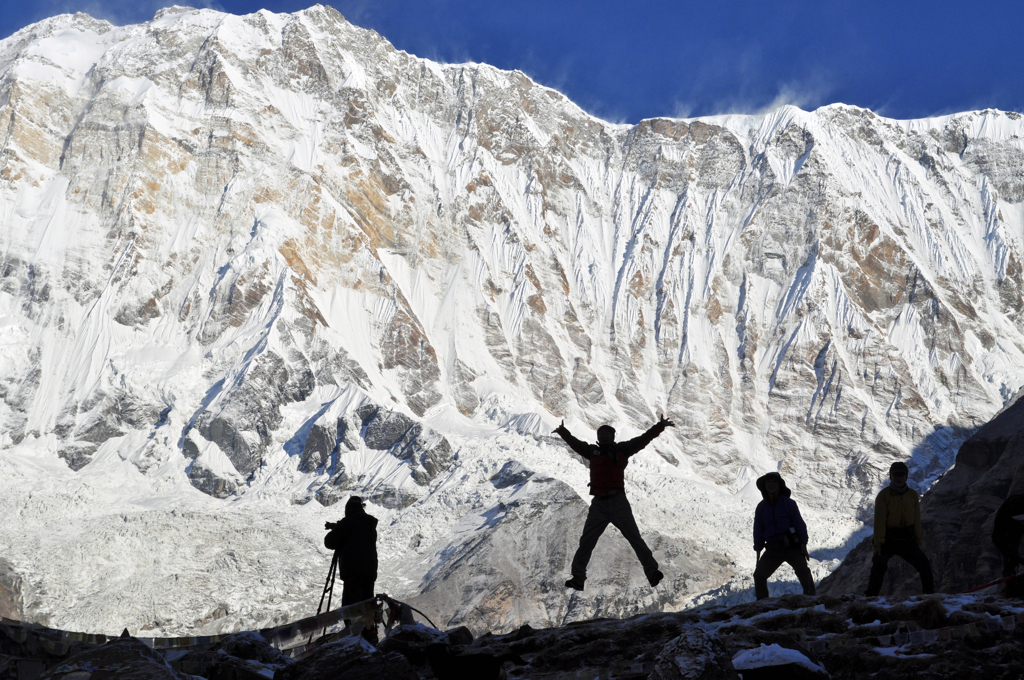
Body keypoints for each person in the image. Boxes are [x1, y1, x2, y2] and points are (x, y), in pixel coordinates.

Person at [553, 416, 674, 591]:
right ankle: (578, 578)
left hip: (618, 501)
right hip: (599, 503)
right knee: (587, 541)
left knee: (634, 538)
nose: (602, 436)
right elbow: (576, 444)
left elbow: (643, 439)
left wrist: (660, 426)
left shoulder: (623, 449)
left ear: (612, 436)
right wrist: (563, 432)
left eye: (606, 433)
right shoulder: (592, 451)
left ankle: (652, 572)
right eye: (600, 433)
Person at [865, 461, 934, 596]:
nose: (899, 478)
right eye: (896, 475)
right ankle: (870, 597)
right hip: (888, 539)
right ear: (891, 477)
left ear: (906, 477)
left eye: (902, 475)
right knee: (879, 566)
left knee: (924, 564)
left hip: (907, 538)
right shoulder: (883, 496)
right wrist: (878, 544)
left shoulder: (912, 495)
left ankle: (929, 595)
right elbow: (879, 521)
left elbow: (916, 519)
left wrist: (917, 538)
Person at [751, 472, 816, 599]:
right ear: (764, 486)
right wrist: (758, 545)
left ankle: (811, 598)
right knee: (759, 575)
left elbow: (799, 523)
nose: (771, 485)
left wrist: (803, 542)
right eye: (768, 482)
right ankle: (762, 603)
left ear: (780, 485)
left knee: (803, 570)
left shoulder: (789, 503)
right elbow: (758, 528)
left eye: (774, 482)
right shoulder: (761, 507)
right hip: (772, 548)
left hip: (791, 546)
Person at [324, 496, 379, 606]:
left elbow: (329, 542)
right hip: (369, 572)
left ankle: (352, 624)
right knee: (367, 607)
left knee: (351, 610)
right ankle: (368, 623)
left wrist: (338, 528)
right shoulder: (369, 524)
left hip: (353, 574)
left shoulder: (347, 523)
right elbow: (357, 531)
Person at [992, 493, 1024, 596]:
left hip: (1014, 524)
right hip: (1011, 528)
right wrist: (1015, 558)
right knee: (1010, 552)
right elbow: (997, 540)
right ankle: (1011, 582)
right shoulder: (1002, 518)